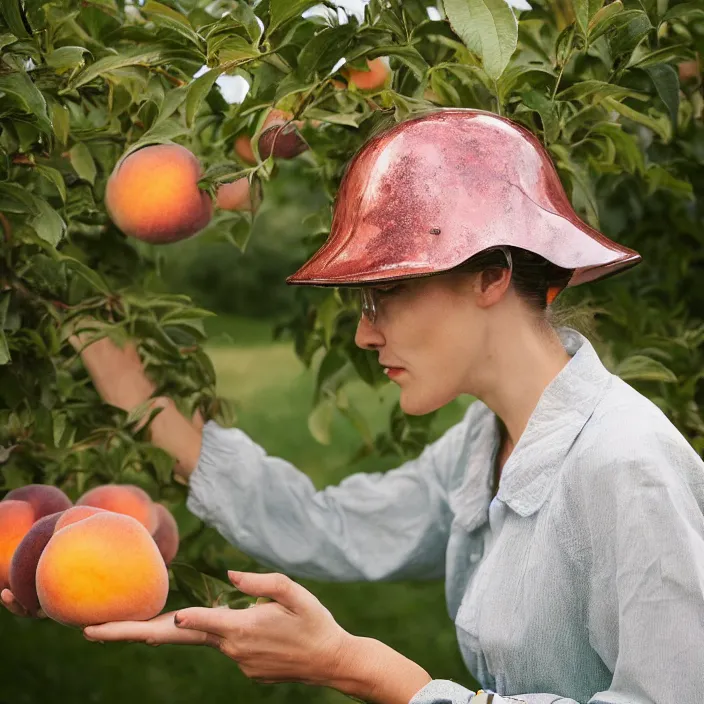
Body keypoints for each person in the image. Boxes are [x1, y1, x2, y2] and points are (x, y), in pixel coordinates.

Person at [4, 108, 704, 704]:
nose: (366, 333)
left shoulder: (626, 466)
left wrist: (367, 671)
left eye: (384, 295)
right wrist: (134, 392)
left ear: (492, 275)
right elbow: (332, 528)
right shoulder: (484, 442)